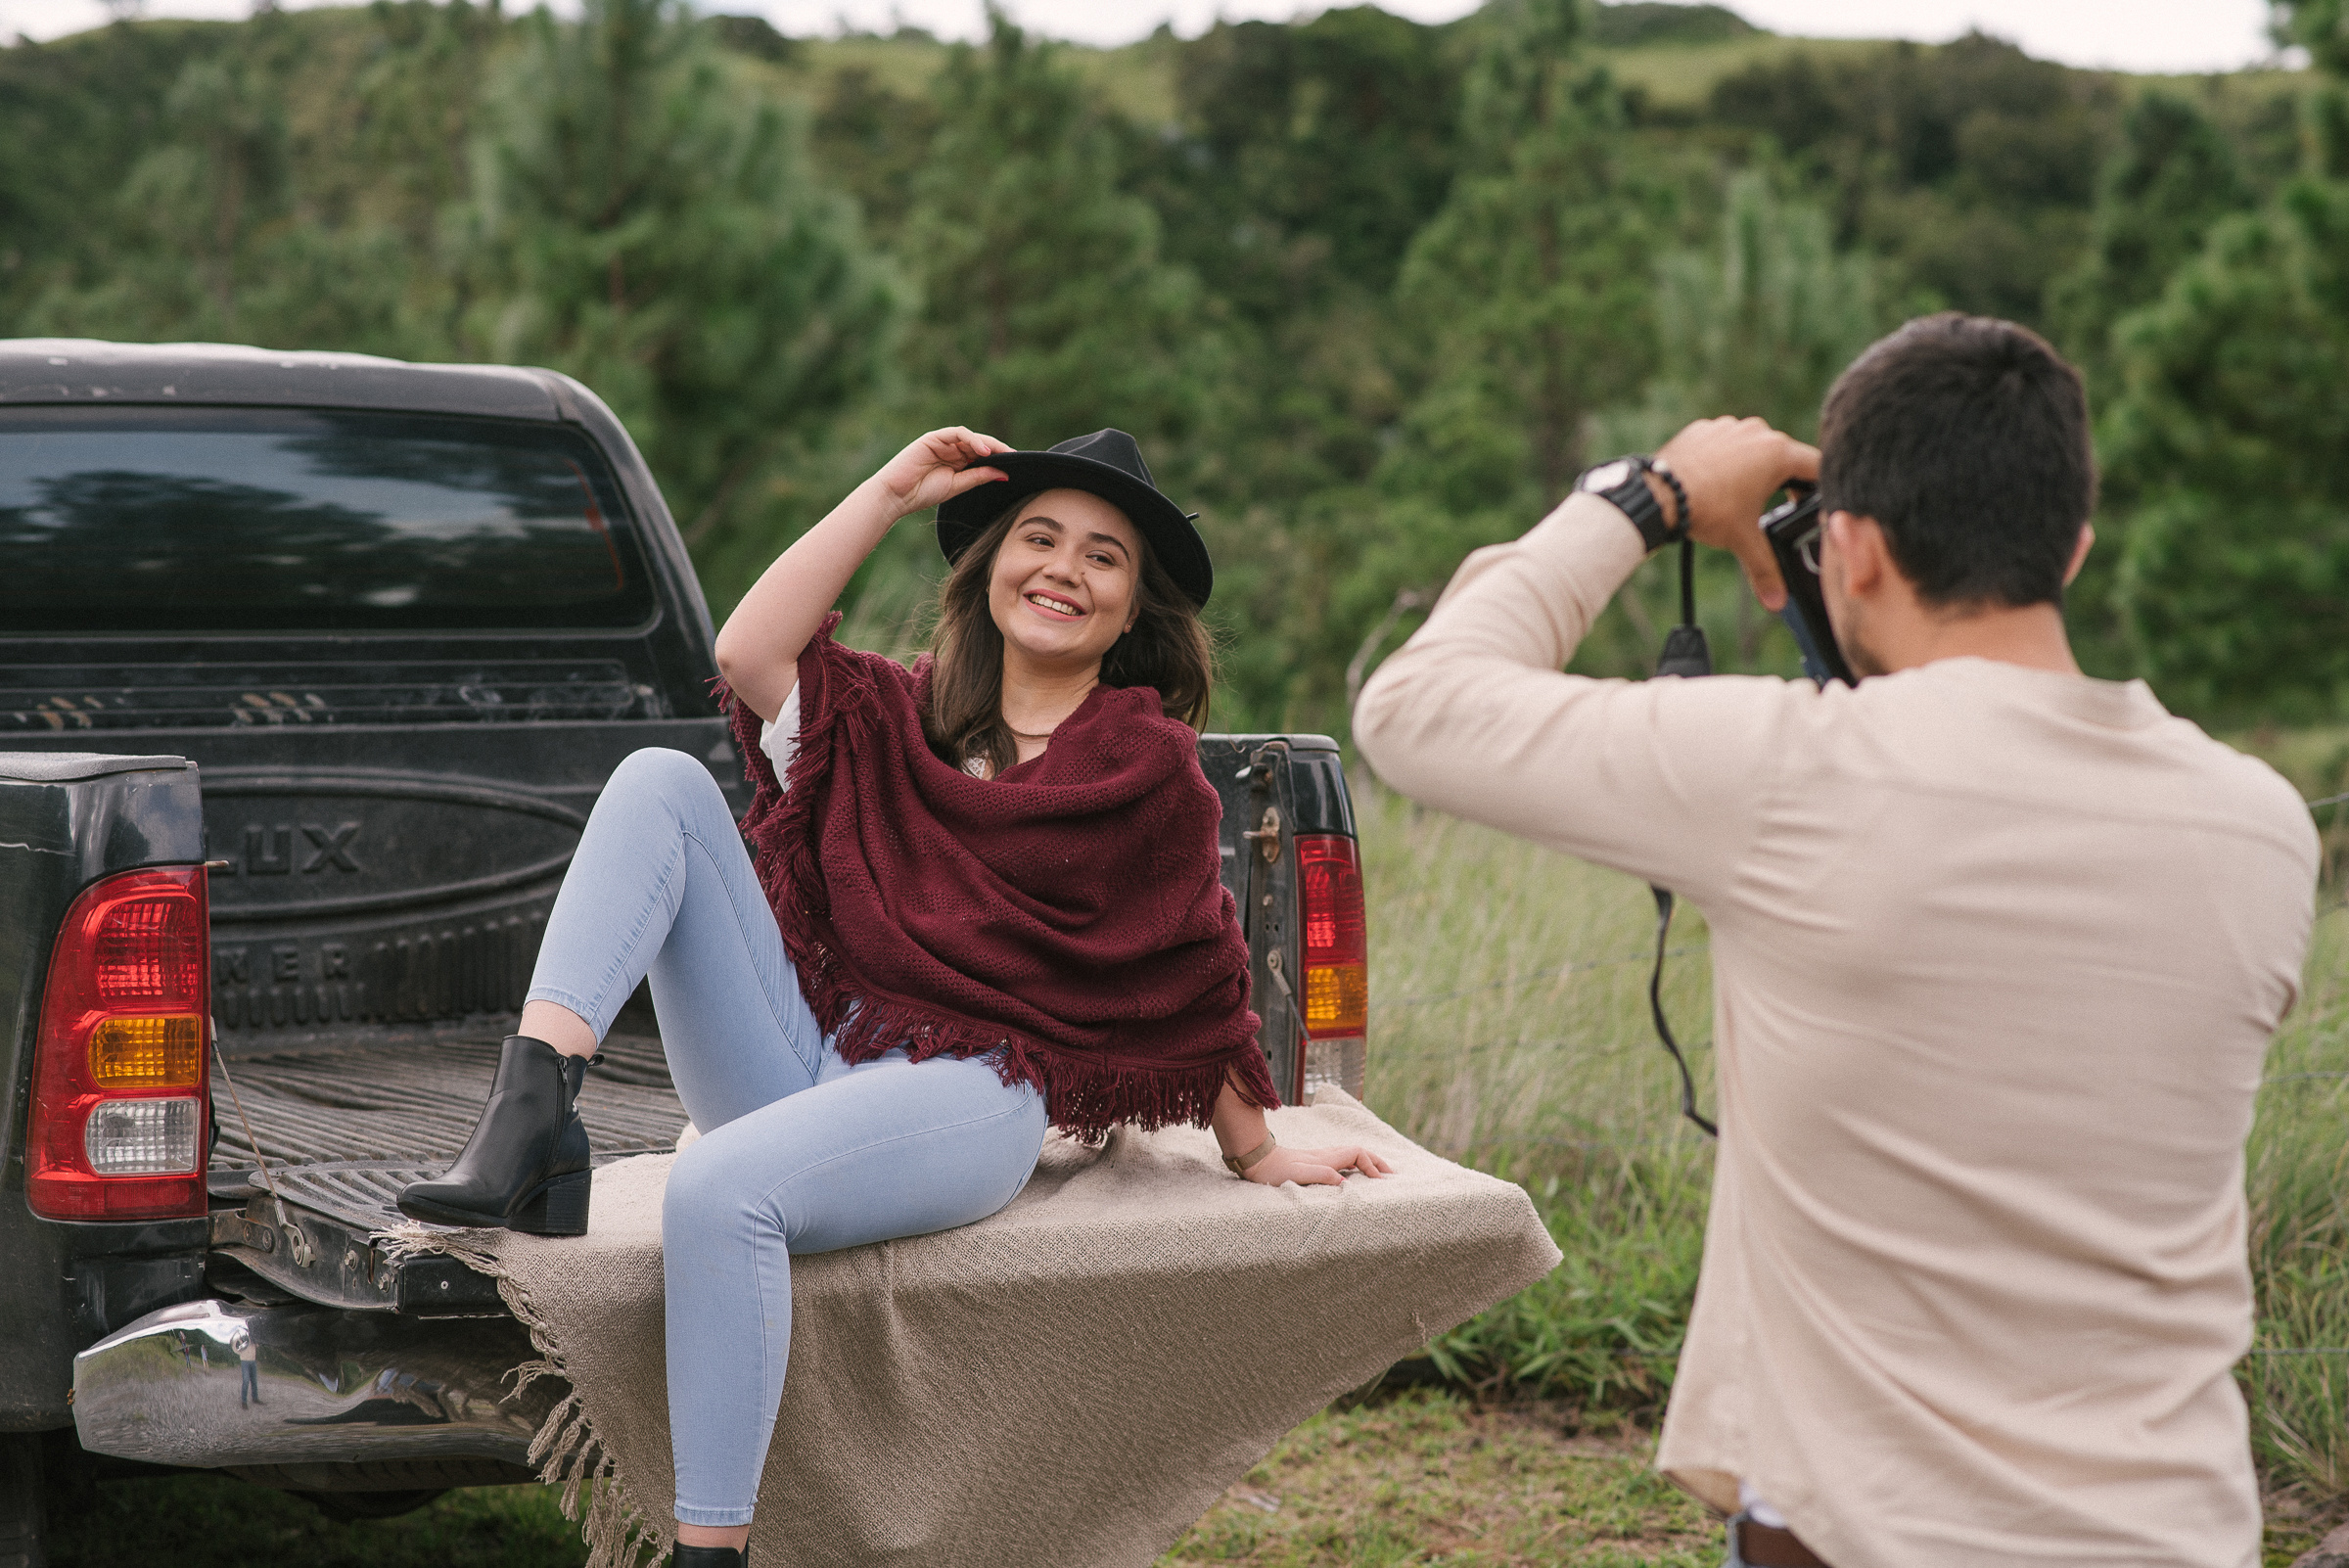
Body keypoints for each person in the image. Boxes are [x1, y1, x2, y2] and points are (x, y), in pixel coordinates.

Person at [1354, 314, 2318, 1568]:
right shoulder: (2260, 826)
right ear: (2072, 548)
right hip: (2177, 1526)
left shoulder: (1794, 780)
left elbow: (1414, 705)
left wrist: (1647, 497)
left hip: (1871, 1535)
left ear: (1850, 547)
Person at [398, 426, 1392, 1568]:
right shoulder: (900, 721)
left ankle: (707, 1554)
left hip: (975, 1094)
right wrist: (887, 492)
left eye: (1104, 556)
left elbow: (1192, 965)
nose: (1065, 567)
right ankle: (532, 1116)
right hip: (817, 1055)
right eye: (1039, 537)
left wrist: (1258, 1150)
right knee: (660, 782)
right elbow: (749, 650)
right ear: (989, 569)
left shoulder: (1145, 769)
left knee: (716, 1190)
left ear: (1133, 615)